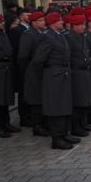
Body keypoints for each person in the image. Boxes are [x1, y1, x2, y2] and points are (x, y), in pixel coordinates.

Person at [31, 12, 77, 150]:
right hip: (54, 76)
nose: (62, 22)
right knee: (56, 107)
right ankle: (57, 138)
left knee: (65, 105)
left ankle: (64, 133)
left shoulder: (59, 34)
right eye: (59, 21)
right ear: (53, 23)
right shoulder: (47, 38)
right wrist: (48, 73)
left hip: (63, 75)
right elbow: (38, 60)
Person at [17, 11, 50, 137]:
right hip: (33, 70)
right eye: (40, 20)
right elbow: (23, 56)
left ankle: (44, 123)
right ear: (34, 23)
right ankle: (37, 126)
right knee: (36, 100)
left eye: (43, 20)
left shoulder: (42, 33)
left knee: (43, 98)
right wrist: (28, 71)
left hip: (42, 71)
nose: (43, 22)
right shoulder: (28, 35)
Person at [65, 15, 91, 137]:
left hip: (84, 71)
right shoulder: (68, 37)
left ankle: (83, 123)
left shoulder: (81, 36)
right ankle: (76, 127)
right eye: (82, 25)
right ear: (74, 26)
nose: (84, 27)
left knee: (86, 100)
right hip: (76, 72)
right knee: (78, 101)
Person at [0, 14, 21, 138]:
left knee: (5, 99)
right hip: (0, 68)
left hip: (7, 68)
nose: (2, 23)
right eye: (0, 21)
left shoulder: (3, 33)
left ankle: (6, 122)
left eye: (2, 21)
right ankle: (0, 126)